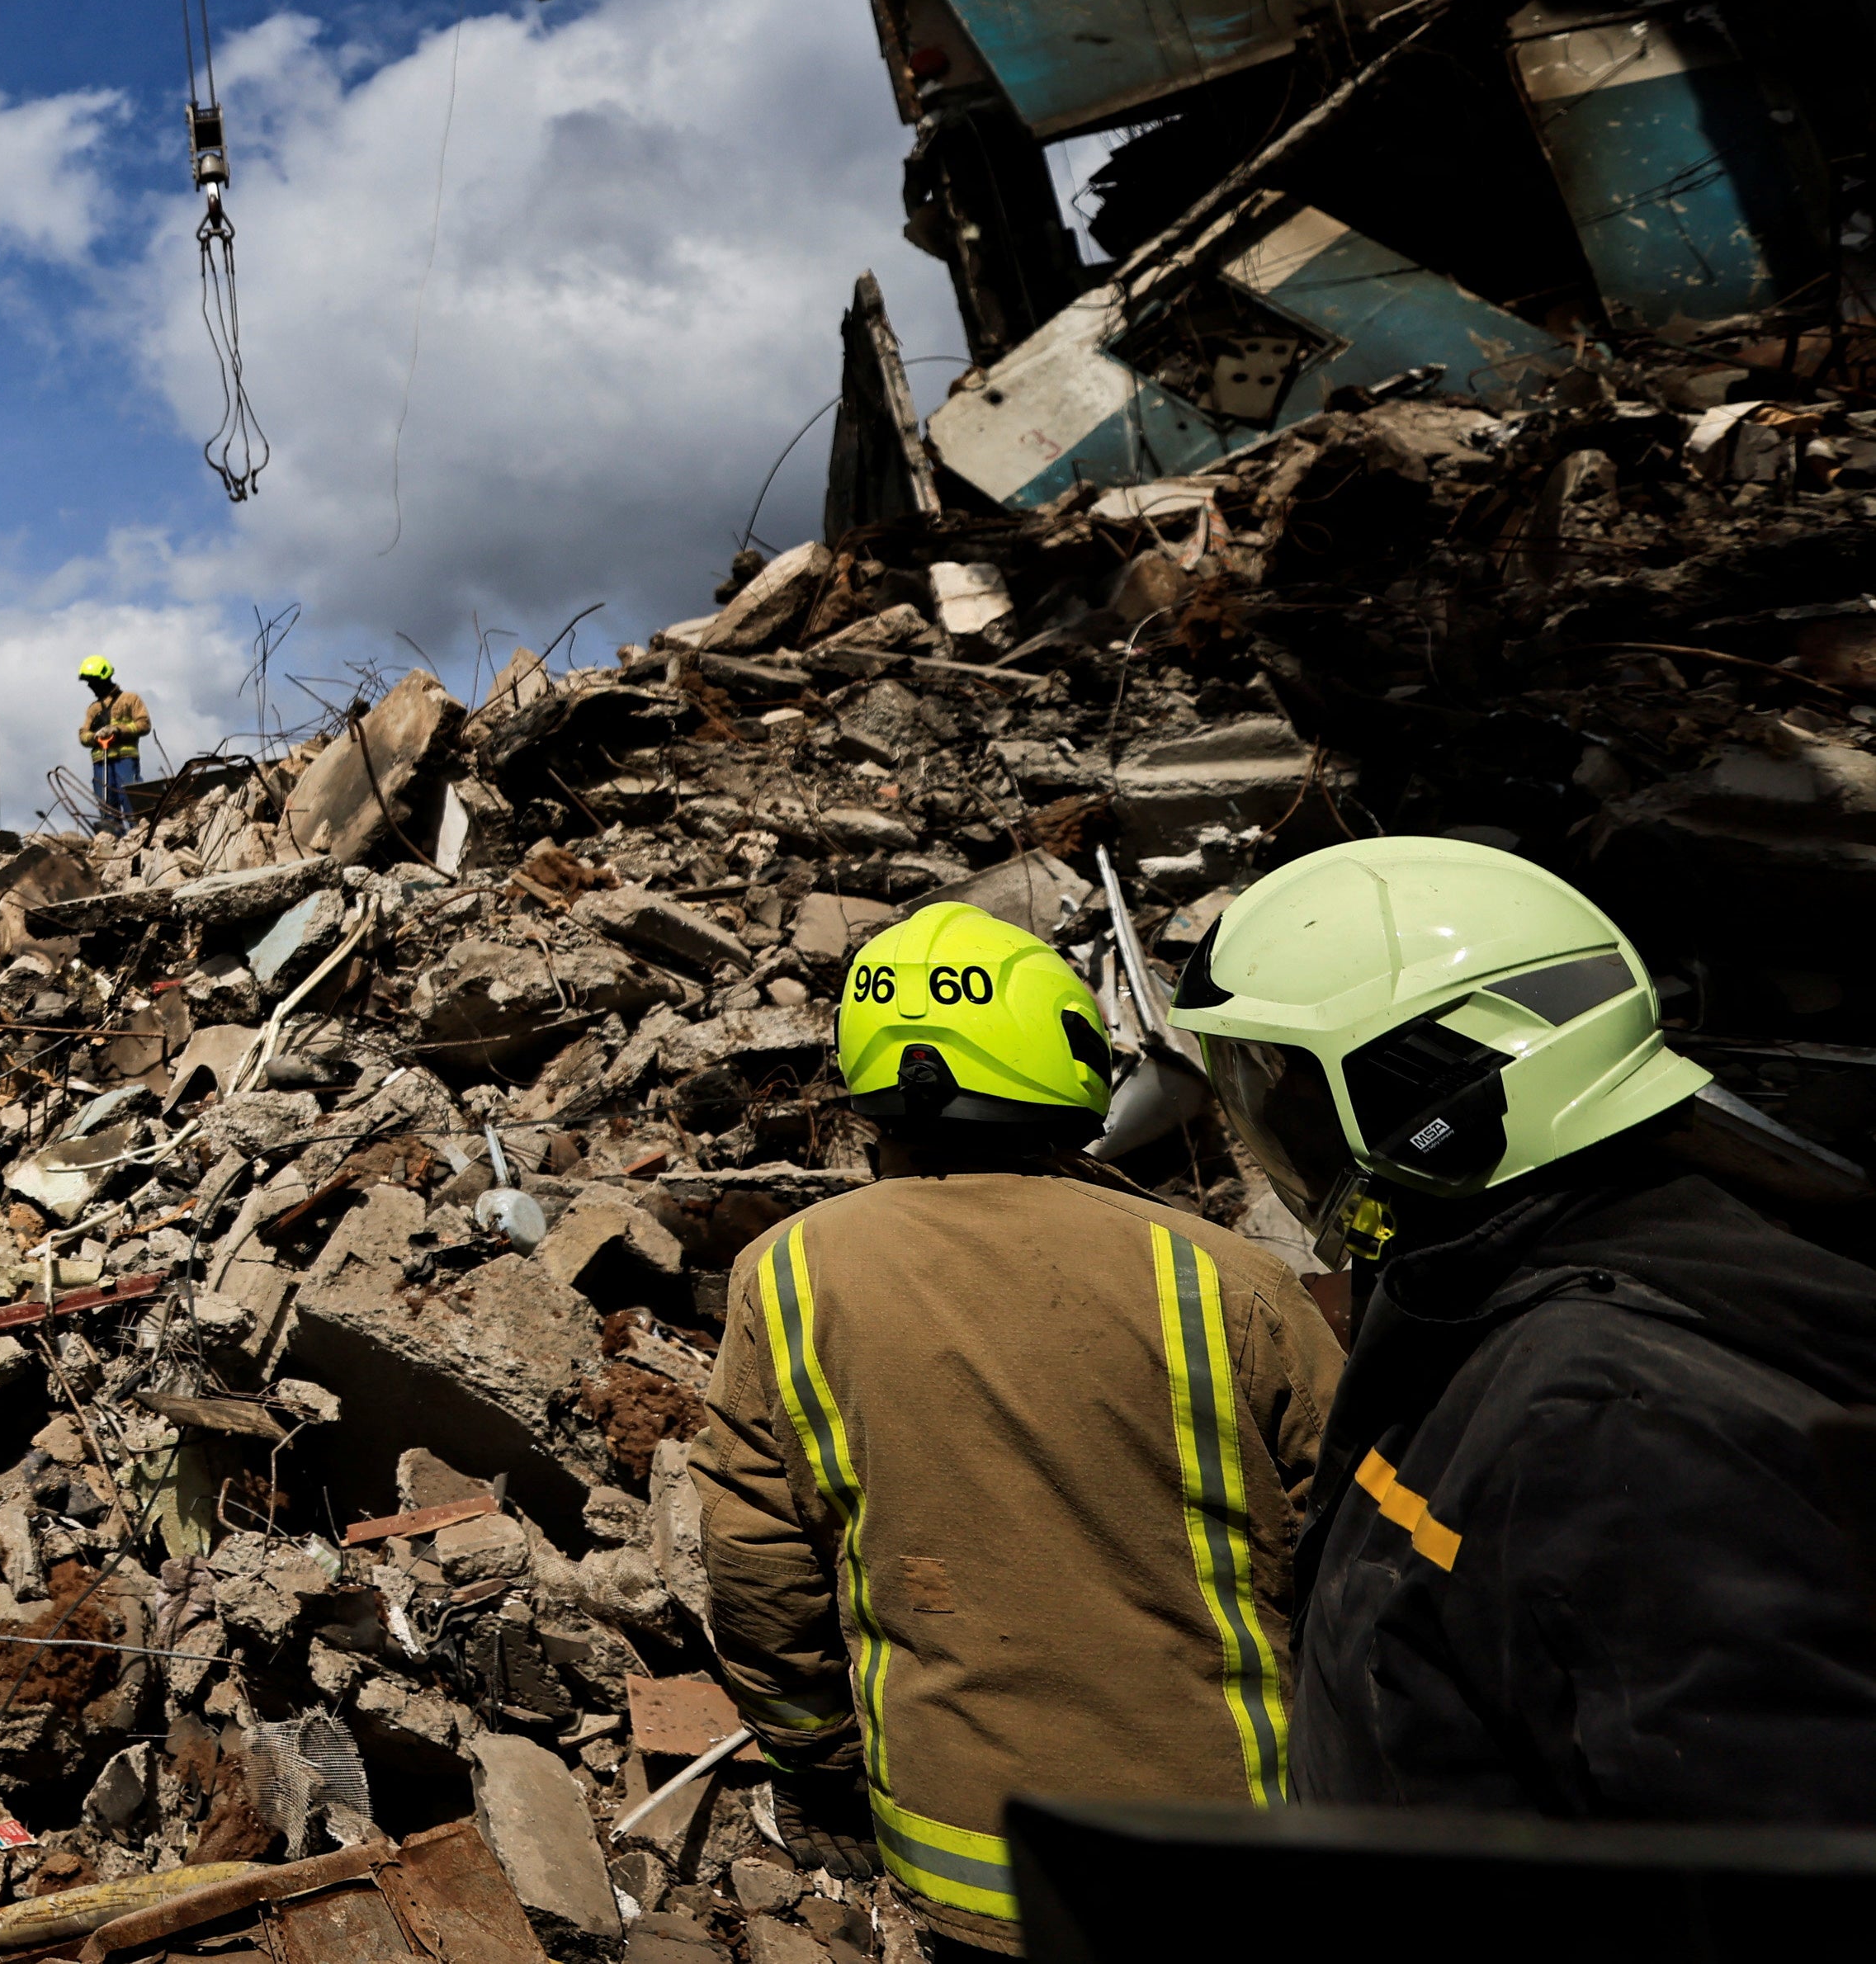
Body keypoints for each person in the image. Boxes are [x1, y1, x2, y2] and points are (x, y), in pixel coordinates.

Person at [1170, 837, 1876, 1818]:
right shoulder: (1488, 1301)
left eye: (1297, 1102)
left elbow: (1766, 1860)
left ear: (1433, 1093)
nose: (1285, 1146)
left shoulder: (1616, 1420)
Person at [695, 902, 1337, 1957]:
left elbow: (757, 1564)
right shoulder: (1225, 1278)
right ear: (1070, 1064)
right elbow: (1362, 1557)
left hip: (970, 1862)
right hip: (1233, 1849)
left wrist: (812, 1760)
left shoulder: (789, 1274)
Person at [78, 658, 151, 811]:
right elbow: (83, 734)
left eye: (93, 681)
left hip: (125, 760)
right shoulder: (94, 709)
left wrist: (118, 730)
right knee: (106, 808)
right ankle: (111, 834)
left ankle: (138, 833)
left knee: (133, 804)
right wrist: (94, 737)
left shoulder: (130, 699)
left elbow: (144, 724)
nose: (90, 685)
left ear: (104, 678)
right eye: (89, 682)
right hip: (100, 763)